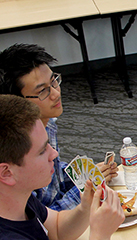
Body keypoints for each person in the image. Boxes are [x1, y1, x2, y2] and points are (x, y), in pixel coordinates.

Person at [0, 44, 118, 211]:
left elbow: (56, 178)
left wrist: (86, 177)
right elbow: (42, 220)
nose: (56, 93)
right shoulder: (16, 155)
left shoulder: (48, 123)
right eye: (43, 91)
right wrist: (84, 190)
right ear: (17, 103)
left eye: (54, 81)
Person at [0, 95, 124, 240]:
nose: (54, 153)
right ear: (7, 173)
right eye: (42, 151)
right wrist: (100, 234)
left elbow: (56, 229)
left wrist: (85, 207)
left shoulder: (16, 197)